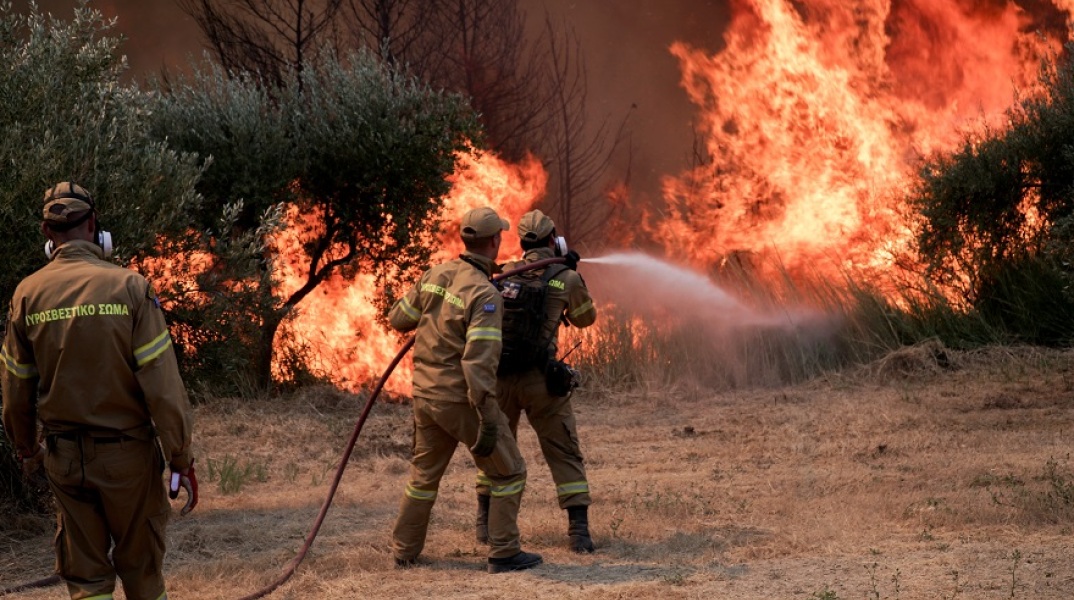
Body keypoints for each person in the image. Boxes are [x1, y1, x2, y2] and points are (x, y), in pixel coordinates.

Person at [1, 182, 197, 600]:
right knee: (142, 573)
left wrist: (26, 450)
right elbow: (163, 389)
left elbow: (16, 390)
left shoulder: (27, 294)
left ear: (47, 234)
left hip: (64, 460)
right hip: (127, 457)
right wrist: (180, 455)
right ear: (94, 226)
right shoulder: (131, 288)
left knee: (87, 581)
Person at [387, 206, 542, 574]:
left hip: (425, 396)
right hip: (461, 400)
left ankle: (404, 550)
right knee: (509, 471)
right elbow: (478, 363)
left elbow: (398, 318)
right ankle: (504, 552)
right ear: (493, 241)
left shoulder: (435, 275)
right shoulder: (485, 296)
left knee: (423, 478)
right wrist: (488, 417)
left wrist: (434, 313)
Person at [474, 209, 598, 553]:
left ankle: (484, 524)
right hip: (541, 381)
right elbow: (586, 319)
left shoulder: (505, 273)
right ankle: (579, 533)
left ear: (522, 241)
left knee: (497, 449)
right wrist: (571, 276)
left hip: (500, 380)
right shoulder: (564, 278)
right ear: (551, 239)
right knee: (563, 449)